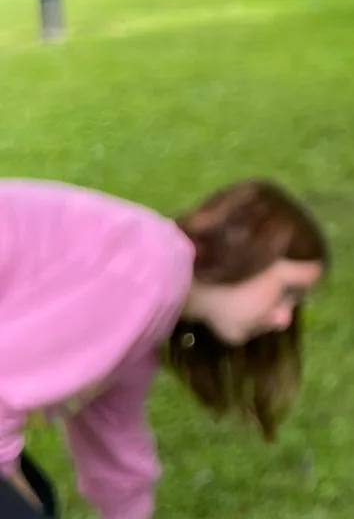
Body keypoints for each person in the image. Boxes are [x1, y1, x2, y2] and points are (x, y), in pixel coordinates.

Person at [0, 178, 327, 519]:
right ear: (247, 252)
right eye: (287, 292)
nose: (284, 319)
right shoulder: (149, 275)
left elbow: (115, 445)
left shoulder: (149, 309)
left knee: (35, 501)